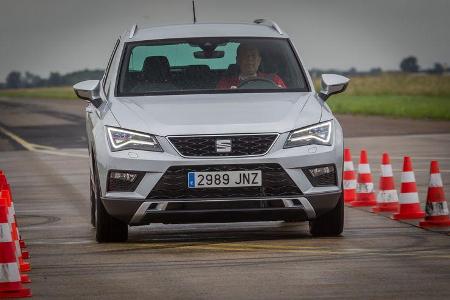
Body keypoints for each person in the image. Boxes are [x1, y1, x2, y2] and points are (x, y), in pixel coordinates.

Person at [217, 43, 287, 89]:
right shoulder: (226, 83)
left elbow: (287, 100)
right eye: (245, 55)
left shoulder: (274, 80)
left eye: (253, 55)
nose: (250, 59)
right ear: (238, 60)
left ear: (259, 60)